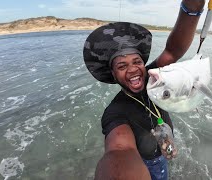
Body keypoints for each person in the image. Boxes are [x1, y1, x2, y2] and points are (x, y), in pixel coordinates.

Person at [83, 0, 205, 179]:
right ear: (113, 74)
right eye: (122, 66)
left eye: (137, 62)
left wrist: (193, 8)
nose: (133, 69)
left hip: (162, 150)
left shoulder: (154, 78)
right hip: (146, 162)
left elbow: (173, 51)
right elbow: (119, 150)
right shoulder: (115, 112)